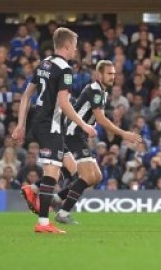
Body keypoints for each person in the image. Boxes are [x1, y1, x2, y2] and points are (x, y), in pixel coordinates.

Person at [21, 61, 143, 224]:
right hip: (73, 134)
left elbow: (93, 117)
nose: (112, 77)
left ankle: (51, 195)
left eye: (114, 74)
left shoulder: (102, 92)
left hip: (78, 135)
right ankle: (61, 211)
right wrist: (123, 133)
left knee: (94, 176)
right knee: (85, 174)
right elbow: (101, 118)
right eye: (109, 74)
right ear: (99, 75)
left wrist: (89, 127)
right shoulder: (95, 91)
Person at [12, 28, 98, 234]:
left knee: (71, 168)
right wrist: (84, 124)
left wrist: (20, 124)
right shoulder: (65, 69)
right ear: (67, 46)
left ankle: (33, 189)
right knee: (52, 172)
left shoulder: (44, 63)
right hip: (50, 125)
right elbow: (64, 103)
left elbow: (26, 96)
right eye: (75, 46)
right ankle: (43, 223)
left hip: (44, 124)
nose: (76, 51)